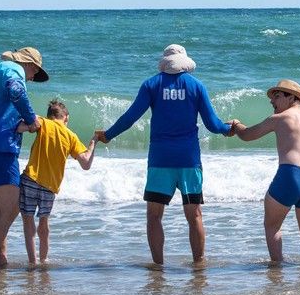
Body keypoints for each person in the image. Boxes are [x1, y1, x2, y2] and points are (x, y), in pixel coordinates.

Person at [95, 44, 234, 265]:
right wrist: (228, 129)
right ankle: (199, 265)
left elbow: (130, 117)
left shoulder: (151, 85)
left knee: (154, 216)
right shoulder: (196, 86)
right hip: (189, 160)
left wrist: (108, 135)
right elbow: (212, 124)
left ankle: (158, 266)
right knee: (194, 216)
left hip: (160, 160)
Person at [231, 80, 300, 264]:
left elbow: (247, 135)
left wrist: (236, 125)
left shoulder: (279, 118)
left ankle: (277, 270)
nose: (272, 101)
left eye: (277, 96)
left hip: (289, 175)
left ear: (292, 98)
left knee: (272, 226)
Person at [0, 47, 48, 269]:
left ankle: (0, 261)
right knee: (11, 207)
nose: (32, 78)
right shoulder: (13, 70)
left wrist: (19, 125)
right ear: (30, 65)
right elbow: (16, 90)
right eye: (34, 72)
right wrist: (31, 119)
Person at [17, 99, 97, 266]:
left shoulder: (43, 122)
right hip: (50, 186)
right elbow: (86, 164)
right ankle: (44, 259)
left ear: (50, 116)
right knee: (44, 223)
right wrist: (93, 141)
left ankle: (33, 261)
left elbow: (21, 125)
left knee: (28, 220)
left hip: (30, 178)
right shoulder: (71, 136)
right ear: (66, 117)